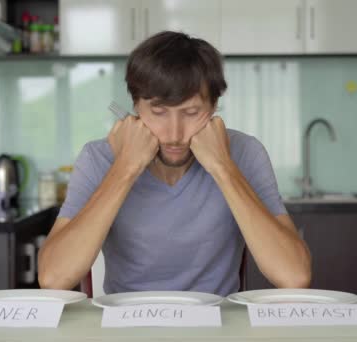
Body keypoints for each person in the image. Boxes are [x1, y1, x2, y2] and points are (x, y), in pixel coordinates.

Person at [38, 31, 311, 296]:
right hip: (126, 327)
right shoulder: (99, 158)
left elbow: (294, 276)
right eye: (158, 112)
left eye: (191, 112)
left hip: (218, 326)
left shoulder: (245, 153)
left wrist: (223, 167)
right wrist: (125, 167)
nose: (174, 134)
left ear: (214, 107)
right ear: (135, 108)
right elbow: (53, 278)